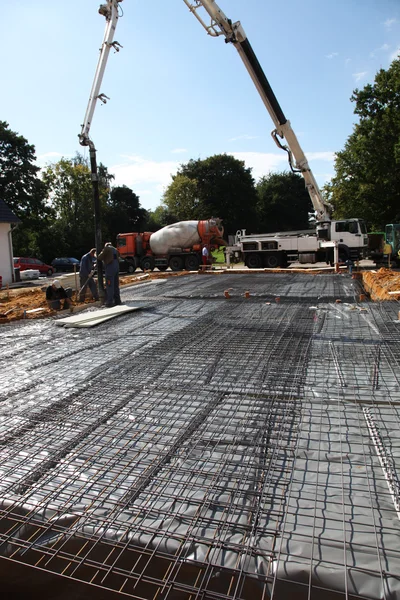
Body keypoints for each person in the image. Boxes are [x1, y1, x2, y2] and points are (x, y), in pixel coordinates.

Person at [98, 242, 122, 308]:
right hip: (116, 268)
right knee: (115, 285)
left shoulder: (107, 249)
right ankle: (117, 300)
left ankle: (110, 301)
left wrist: (96, 254)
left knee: (109, 285)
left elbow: (99, 257)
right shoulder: (115, 249)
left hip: (110, 269)